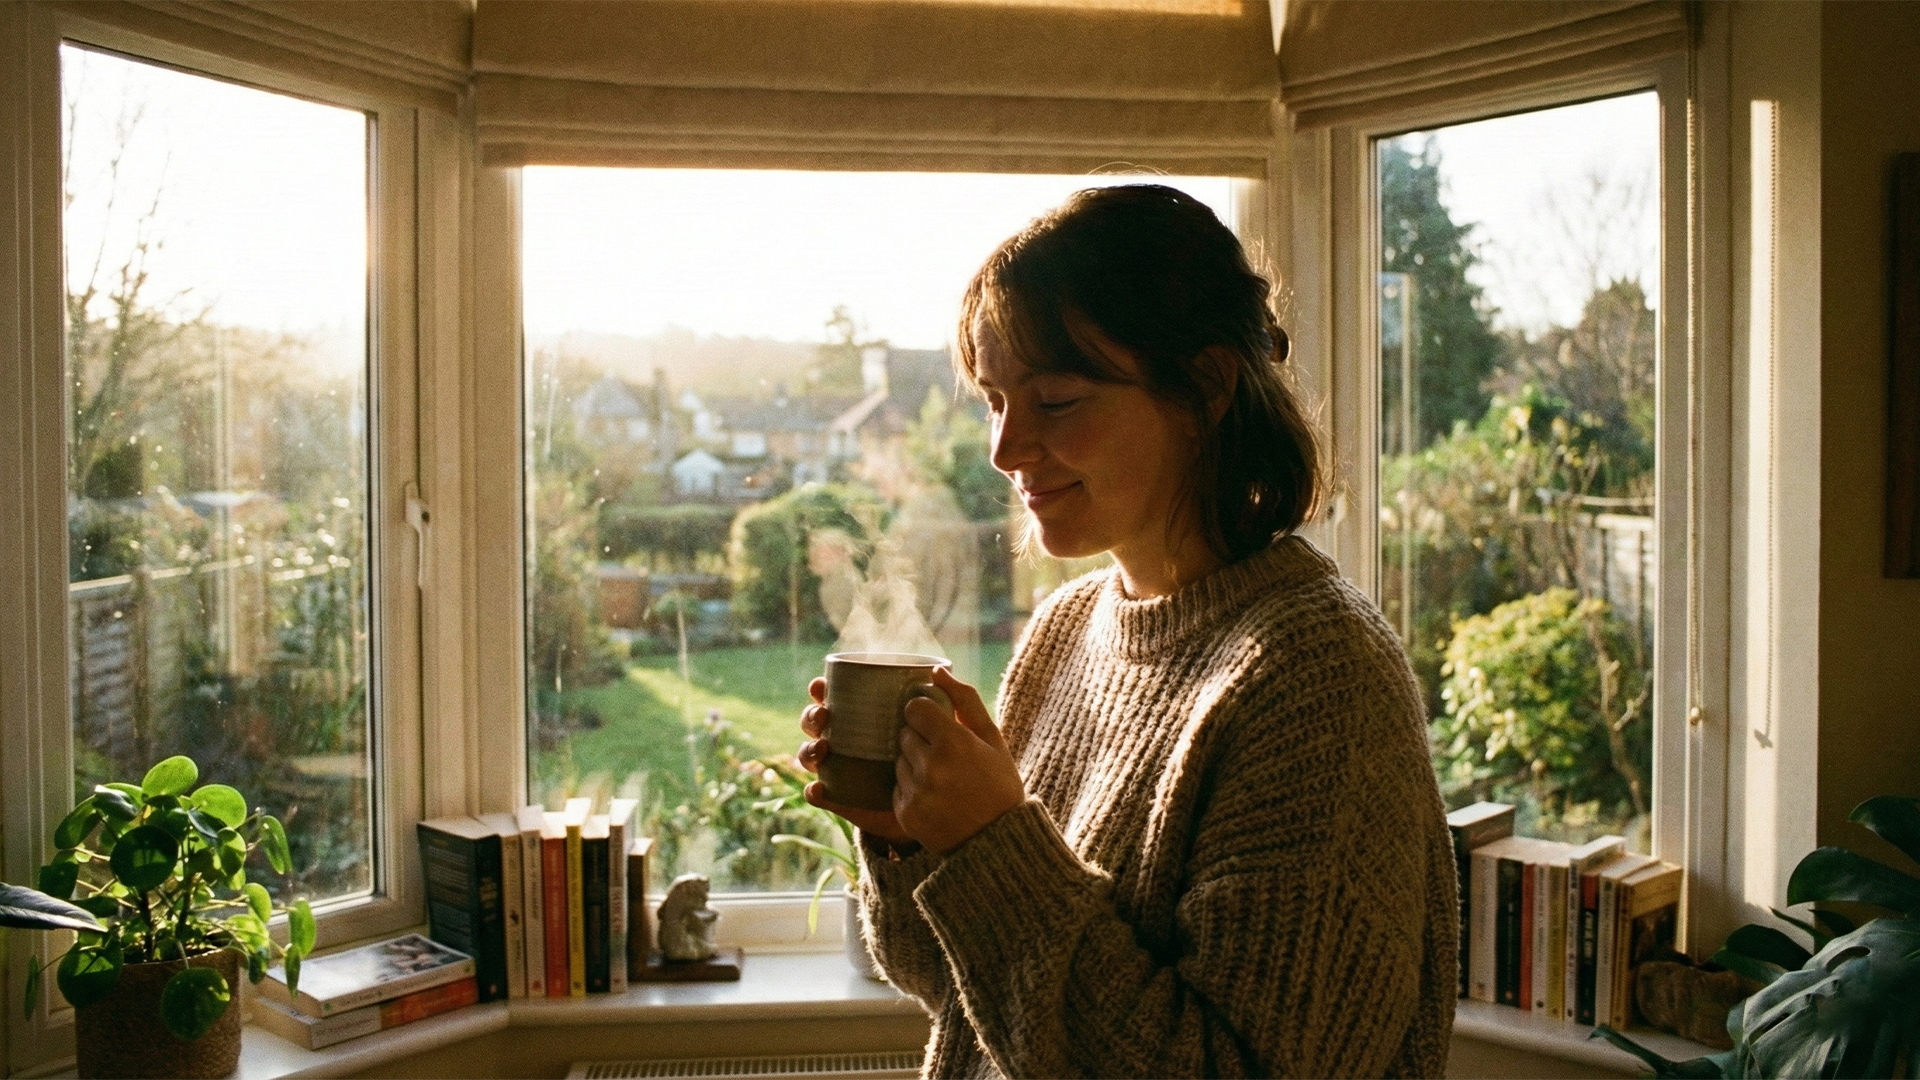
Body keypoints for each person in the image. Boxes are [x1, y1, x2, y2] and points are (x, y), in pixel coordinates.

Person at [796, 184, 1456, 1078]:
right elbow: (960, 992)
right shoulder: (1067, 631)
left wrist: (993, 847)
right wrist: (916, 837)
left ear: (1208, 386)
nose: (1004, 447)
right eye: (994, 399)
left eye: (1056, 401)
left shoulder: (1317, 680)